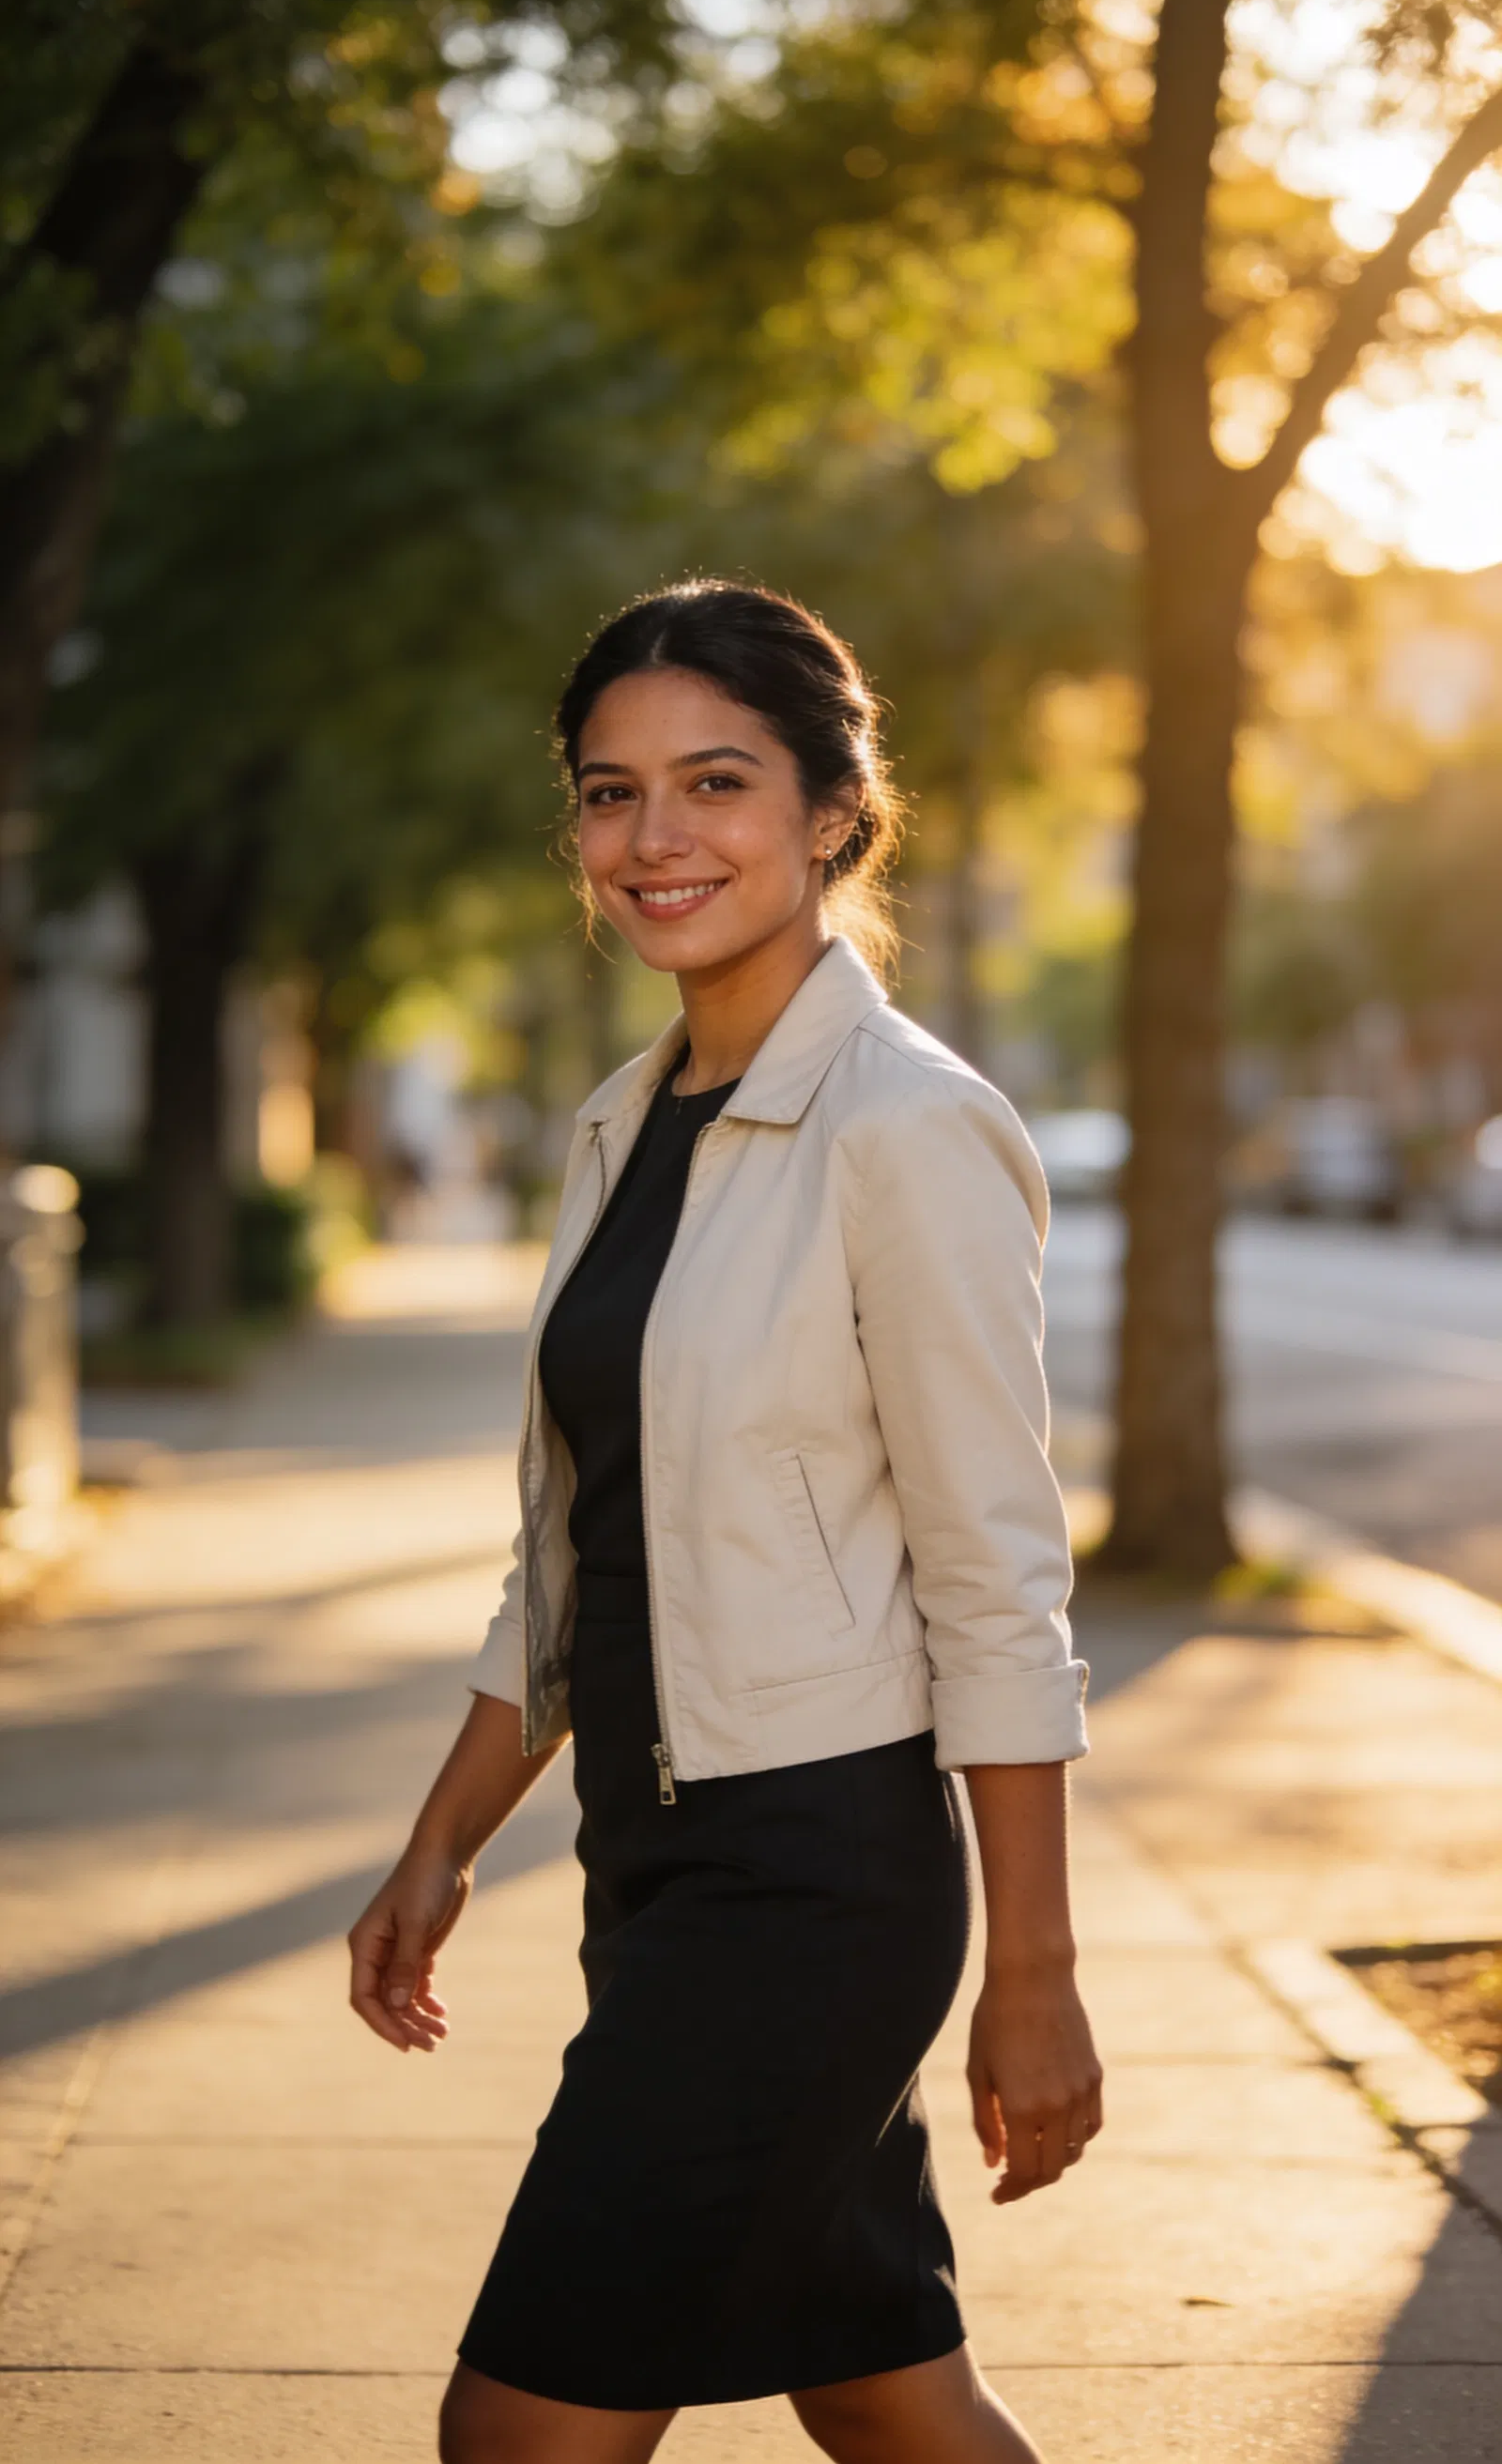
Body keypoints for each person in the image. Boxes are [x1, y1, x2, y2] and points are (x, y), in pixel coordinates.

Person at [348, 582, 1102, 2464]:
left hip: (809, 1878)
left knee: (513, 2434)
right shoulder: (628, 1125)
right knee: (884, 2396)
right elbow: (580, 1562)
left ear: (835, 812)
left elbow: (992, 1576)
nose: (652, 838)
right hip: (653, 1860)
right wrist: (442, 1842)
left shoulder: (898, 1126)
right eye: (609, 795)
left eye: (714, 782)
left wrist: (1034, 1977)